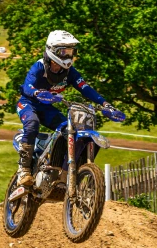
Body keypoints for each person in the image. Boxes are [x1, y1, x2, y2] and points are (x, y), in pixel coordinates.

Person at [15, 30, 121, 186]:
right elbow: (27, 86)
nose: (68, 55)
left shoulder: (70, 72)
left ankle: (62, 170)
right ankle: (23, 170)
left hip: (46, 107)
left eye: (71, 51)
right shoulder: (39, 67)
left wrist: (106, 104)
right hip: (28, 104)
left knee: (68, 129)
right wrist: (36, 92)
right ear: (52, 50)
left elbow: (85, 88)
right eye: (64, 51)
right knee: (32, 124)